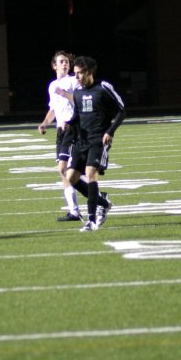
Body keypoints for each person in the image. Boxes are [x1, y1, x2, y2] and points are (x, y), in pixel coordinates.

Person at [65, 56, 126, 232]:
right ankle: (103, 202)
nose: (76, 77)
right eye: (75, 73)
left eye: (79, 73)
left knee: (90, 174)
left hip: (99, 140)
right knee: (71, 178)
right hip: (81, 141)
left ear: (89, 72)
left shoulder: (103, 88)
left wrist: (110, 131)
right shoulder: (77, 92)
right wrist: (69, 124)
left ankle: (92, 220)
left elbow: (122, 111)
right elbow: (77, 115)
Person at [38, 50, 82, 221]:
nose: (65, 64)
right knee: (64, 172)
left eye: (67, 62)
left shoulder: (72, 81)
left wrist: (64, 94)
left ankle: (91, 201)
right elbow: (54, 109)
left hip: (72, 129)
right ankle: (75, 211)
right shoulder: (52, 85)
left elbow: (80, 100)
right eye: (61, 62)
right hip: (60, 132)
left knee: (65, 169)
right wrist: (44, 123)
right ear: (54, 66)